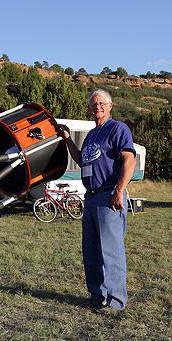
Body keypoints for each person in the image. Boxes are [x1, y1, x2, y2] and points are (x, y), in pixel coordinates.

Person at [60, 89, 136, 312]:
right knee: (91, 252)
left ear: (110, 106)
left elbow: (129, 160)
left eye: (101, 103)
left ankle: (116, 302)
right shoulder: (92, 135)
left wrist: (119, 191)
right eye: (93, 104)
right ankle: (97, 296)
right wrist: (67, 140)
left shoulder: (118, 129)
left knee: (111, 252)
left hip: (108, 196)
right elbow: (81, 160)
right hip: (91, 198)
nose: (97, 107)